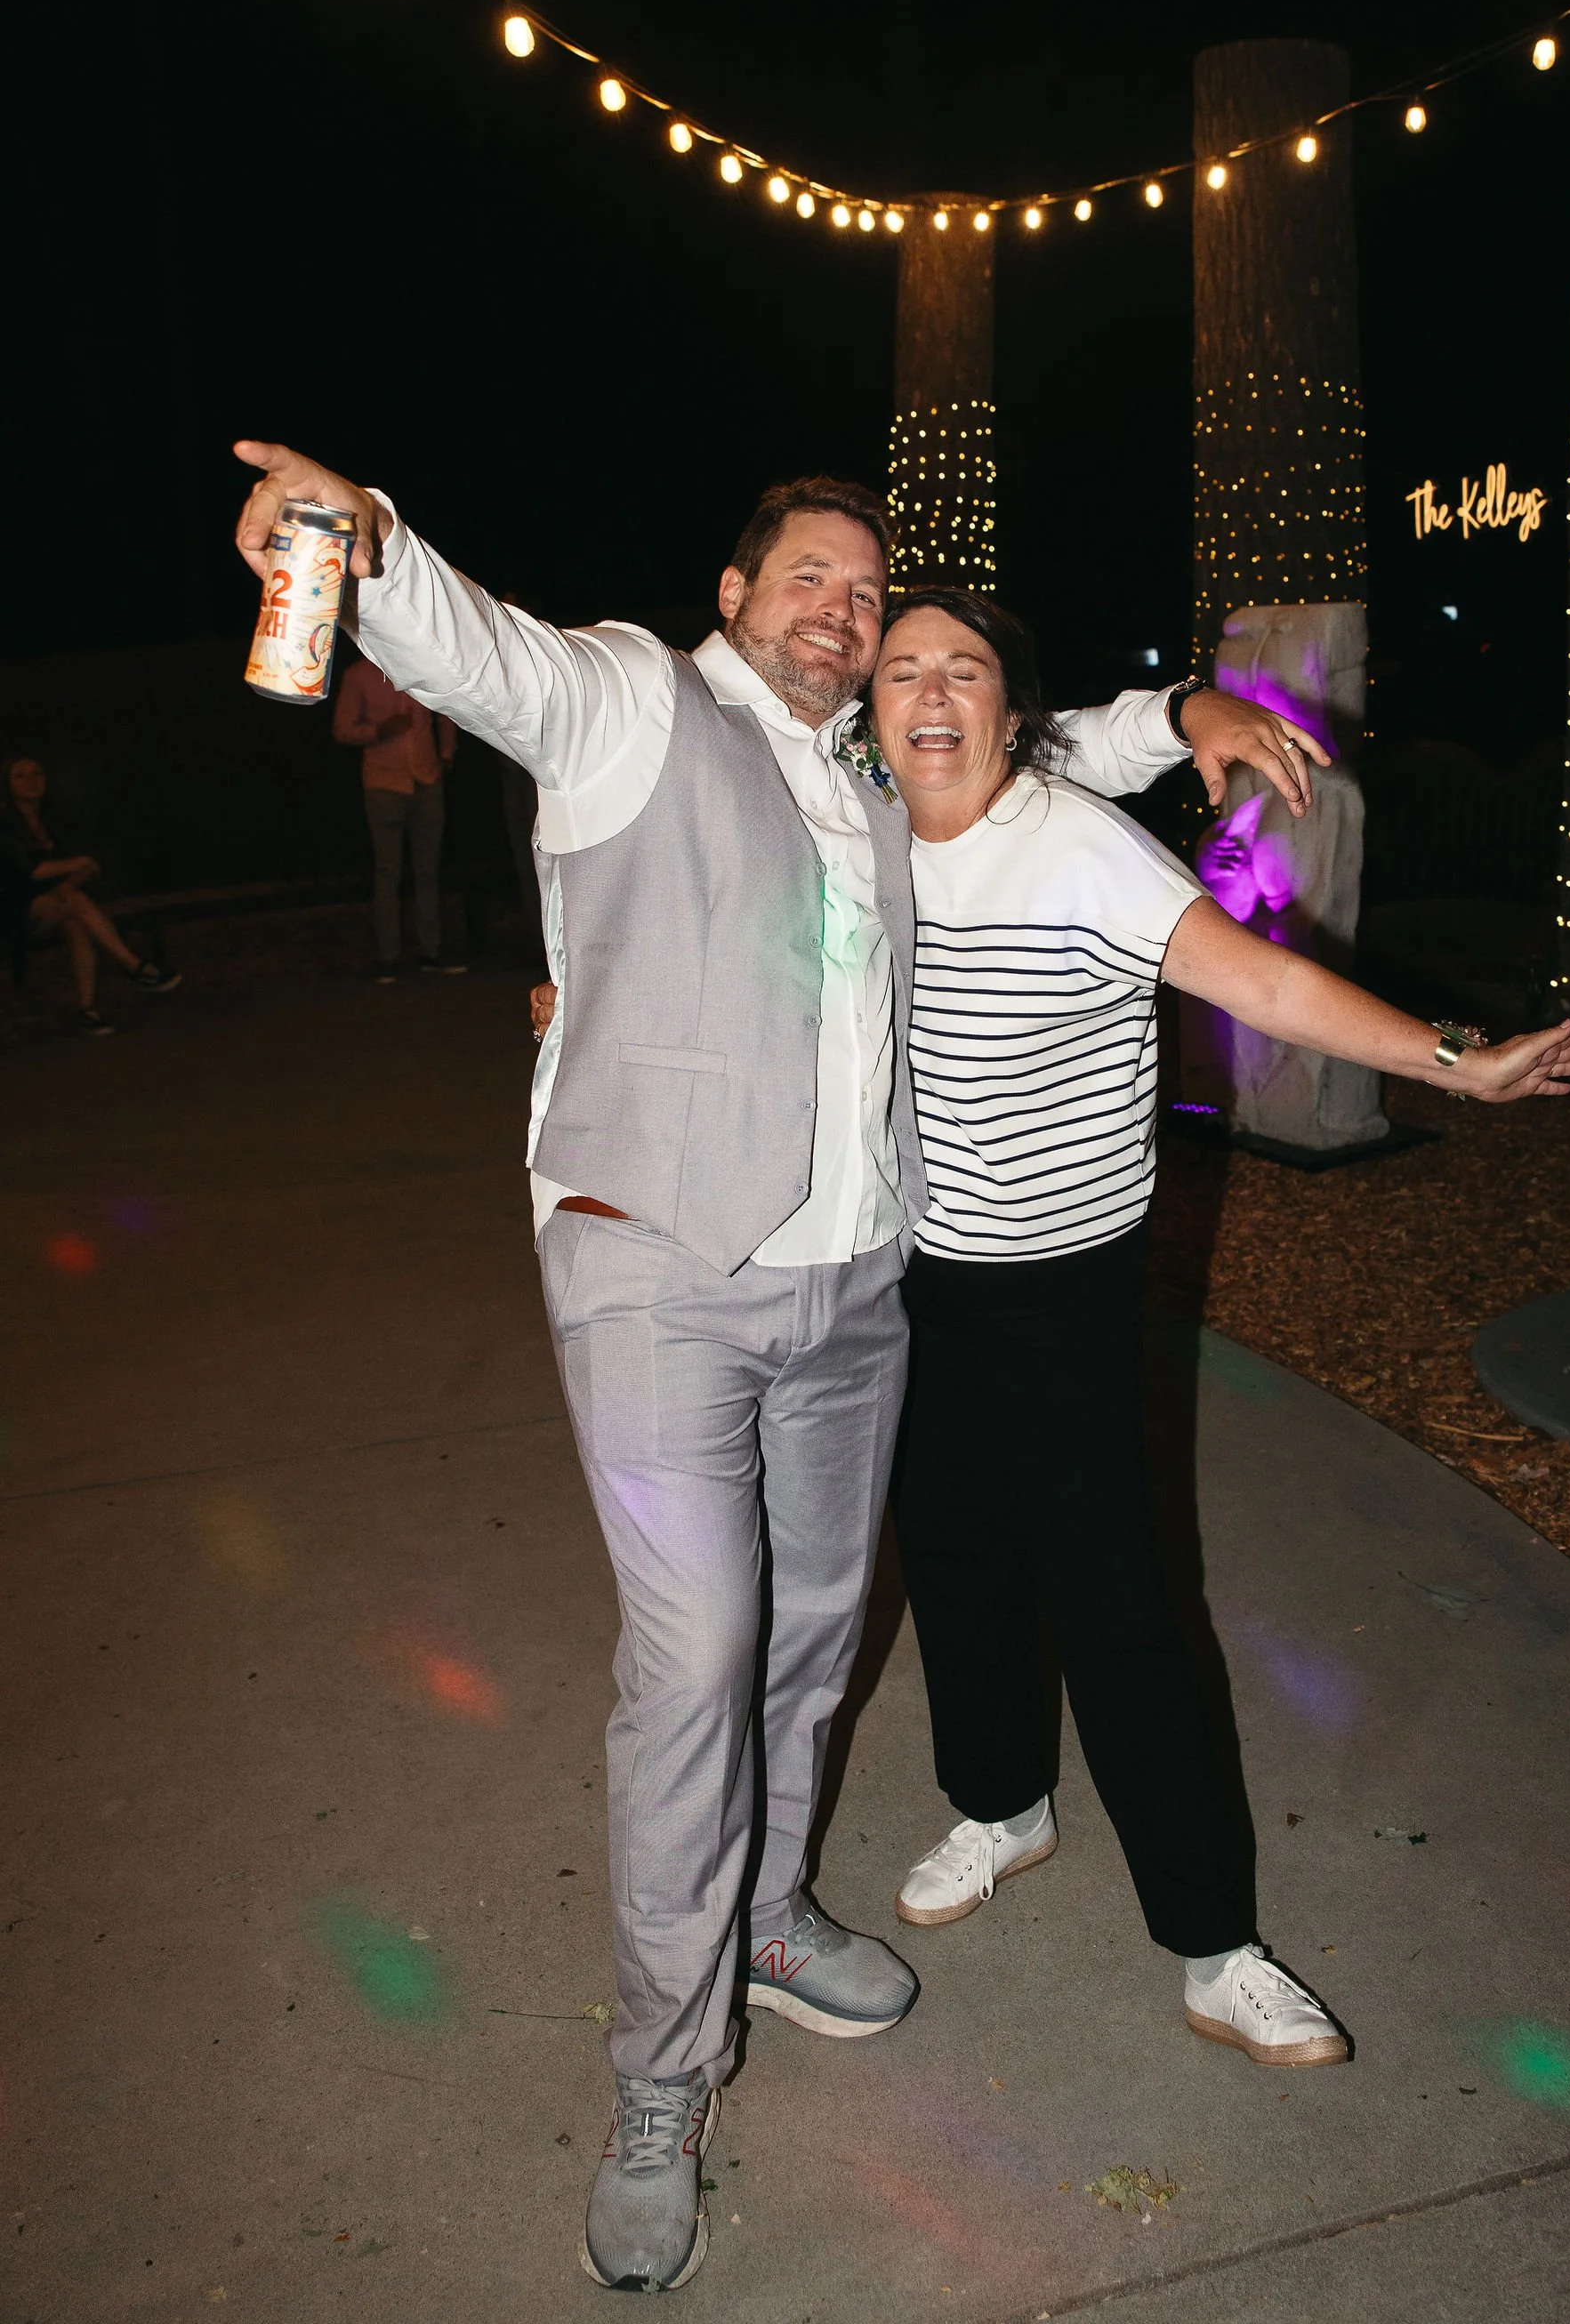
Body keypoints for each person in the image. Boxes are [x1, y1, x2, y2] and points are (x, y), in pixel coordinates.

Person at [230, 438, 1321, 2295]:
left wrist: (1193, 698)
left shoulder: (875, 773)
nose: (839, 603)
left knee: (816, 1632)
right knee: (700, 1661)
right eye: (805, 574)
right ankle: (661, 2082)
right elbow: (483, 652)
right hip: (658, 1276)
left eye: (862, 584)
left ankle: (764, 1911)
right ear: (733, 598)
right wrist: (374, 547)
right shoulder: (632, 704)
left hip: (852, 1295)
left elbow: (1046, 752)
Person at [868, 591, 1570, 2063]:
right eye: (902, 672)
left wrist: (1451, 1059)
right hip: (915, 1273)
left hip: (1064, 1285)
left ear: (1016, 715)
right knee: (950, 1557)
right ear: (868, 711)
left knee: (1113, 1605)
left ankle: (1213, 1941)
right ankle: (999, 1804)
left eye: (964, 672)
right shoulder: (855, 820)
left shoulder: (1073, 842)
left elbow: (1259, 975)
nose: (930, 696)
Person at [0, 755, 181, 1034]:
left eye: (36, 773)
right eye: (20, 775)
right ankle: (132, 966)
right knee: (77, 903)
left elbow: (92, 863)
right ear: (7, 784)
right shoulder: (5, 825)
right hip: (15, 909)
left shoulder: (54, 820)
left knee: (76, 922)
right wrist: (77, 865)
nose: (31, 781)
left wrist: (70, 880)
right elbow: (31, 872)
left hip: (57, 904)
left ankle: (87, 1009)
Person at [332, 651, 465, 982]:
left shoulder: (418, 664)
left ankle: (430, 954)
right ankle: (388, 957)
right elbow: (342, 728)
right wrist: (379, 729)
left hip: (426, 779)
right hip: (384, 783)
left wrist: (446, 754)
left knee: (428, 871)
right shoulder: (358, 675)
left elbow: (444, 712)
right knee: (388, 871)